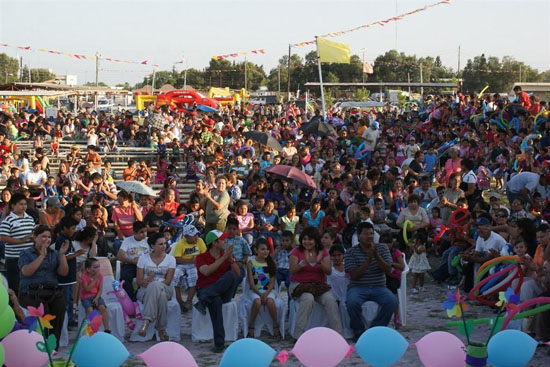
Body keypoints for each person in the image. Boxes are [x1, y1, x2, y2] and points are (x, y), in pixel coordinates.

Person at [18, 225, 69, 350]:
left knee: (59, 307)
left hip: (51, 291)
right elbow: (26, 272)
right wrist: (41, 256)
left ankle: (52, 347)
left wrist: (62, 256)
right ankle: (41, 346)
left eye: (49, 237)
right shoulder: (26, 253)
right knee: (44, 310)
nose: (47, 240)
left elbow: (63, 273)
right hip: (30, 292)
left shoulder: (54, 254)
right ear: (35, 238)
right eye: (43, 237)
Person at [344, 222, 397, 340]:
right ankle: (358, 331)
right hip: (358, 287)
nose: (370, 236)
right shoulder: (351, 252)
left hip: (379, 287)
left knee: (392, 301)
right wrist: (368, 260)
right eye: (366, 234)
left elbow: (389, 270)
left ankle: (375, 330)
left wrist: (376, 256)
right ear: (358, 236)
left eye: (372, 233)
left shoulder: (382, 248)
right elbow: (354, 275)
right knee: (352, 302)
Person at [289, 226, 342, 339]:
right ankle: (298, 336)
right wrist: (302, 263)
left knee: (330, 301)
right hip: (299, 285)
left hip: (318, 286)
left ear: (315, 240)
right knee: (308, 298)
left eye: (310, 239)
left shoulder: (322, 252)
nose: (306, 242)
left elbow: (328, 272)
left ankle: (338, 334)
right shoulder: (296, 251)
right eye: (304, 239)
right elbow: (292, 270)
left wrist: (319, 263)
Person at [194, 230, 240, 353]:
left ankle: (204, 299)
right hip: (206, 289)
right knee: (215, 301)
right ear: (214, 243)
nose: (225, 242)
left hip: (222, 292)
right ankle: (219, 344)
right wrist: (223, 257)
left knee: (230, 275)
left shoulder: (227, 255)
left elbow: (238, 274)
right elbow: (206, 271)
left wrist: (230, 259)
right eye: (222, 240)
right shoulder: (201, 257)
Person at [136, 232, 176, 341]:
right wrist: (149, 279)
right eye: (160, 244)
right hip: (145, 291)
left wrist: (153, 283)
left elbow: (168, 281)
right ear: (152, 246)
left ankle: (146, 321)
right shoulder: (143, 259)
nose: (164, 246)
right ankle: (162, 330)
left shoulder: (171, 259)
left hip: (165, 288)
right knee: (161, 296)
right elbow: (139, 281)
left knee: (157, 287)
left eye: (165, 243)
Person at [0, 192, 36, 291]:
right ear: (13, 205)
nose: (24, 206)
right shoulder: (8, 220)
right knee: (15, 284)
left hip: (29, 256)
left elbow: (33, 232)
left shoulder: (30, 218)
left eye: (25, 204)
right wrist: (20, 241)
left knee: (29, 283)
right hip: (14, 258)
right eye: (21, 204)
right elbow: (3, 237)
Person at [246, 238, 279, 338]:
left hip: (268, 290)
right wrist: (260, 294)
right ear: (256, 250)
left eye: (267, 249)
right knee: (257, 301)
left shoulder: (272, 263)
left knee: (270, 302)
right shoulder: (251, 263)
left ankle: (275, 325)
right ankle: (251, 325)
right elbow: (251, 283)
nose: (266, 251)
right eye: (262, 249)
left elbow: (272, 282)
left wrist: (266, 293)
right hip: (255, 290)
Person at [172, 224, 206, 312]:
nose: (196, 237)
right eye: (193, 236)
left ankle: (189, 301)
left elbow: (204, 255)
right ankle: (180, 302)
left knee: (194, 275)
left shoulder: (200, 241)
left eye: (196, 234)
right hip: (183, 264)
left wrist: (196, 261)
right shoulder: (180, 243)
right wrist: (190, 260)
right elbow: (177, 259)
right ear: (186, 237)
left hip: (195, 264)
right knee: (175, 276)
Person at [55, 216, 79, 327]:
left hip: (70, 275)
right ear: (65, 228)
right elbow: (62, 256)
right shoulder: (62, 240)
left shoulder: (68, 239)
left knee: (70, 298)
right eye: (72, 228)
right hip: (65, 277)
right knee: (65, 299)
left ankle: (69, 319)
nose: (73, 231)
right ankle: (65, 320)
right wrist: (77, 254)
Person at [116, 221, 149, 302]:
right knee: (125, 277)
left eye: (145, 231)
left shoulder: (149, 240)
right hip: (131, 264)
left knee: (149, 277)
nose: (144, 234)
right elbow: (119, 256)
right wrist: (133, 261)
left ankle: (139, 295)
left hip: (146, 265)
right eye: (141, 232)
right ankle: (129, 299)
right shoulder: (127, 241)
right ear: (134, 232)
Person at [80, 257, 110, 333]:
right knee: (90, 310)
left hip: (96, 296)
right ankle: (89, 330)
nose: (98, 269)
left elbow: (100, 290)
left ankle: (107, 329)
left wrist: (96, 298)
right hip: (86, 297)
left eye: (98, 266)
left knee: (103, 308)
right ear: (88, 269)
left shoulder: (100, 276)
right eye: (95, 267)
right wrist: (95, 279)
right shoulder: (84, 277)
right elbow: (87, 289)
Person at [112, 190, 144, 255]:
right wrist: (120, 234)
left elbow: (140, 219)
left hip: (134, 234)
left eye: (120, 199)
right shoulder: (116, 209)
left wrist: (134, 207)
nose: (118, 201)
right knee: (117, 244)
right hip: (122, 234)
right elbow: (115, 224)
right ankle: (120, 261)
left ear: (126, 199)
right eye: (118, 199)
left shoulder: (134, 207)